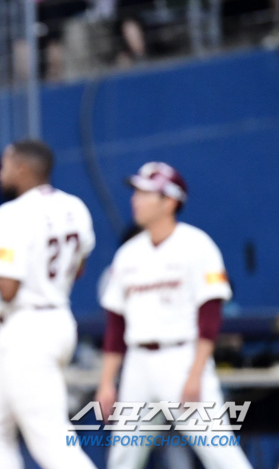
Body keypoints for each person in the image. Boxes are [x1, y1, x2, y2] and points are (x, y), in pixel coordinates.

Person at [0, 139, 97, 469]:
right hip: (56, 320)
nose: (0, 173)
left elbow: (5, 290)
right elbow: (77, 268)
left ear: (24, 168)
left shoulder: (11, 214)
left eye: (6, 165)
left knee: (52, 443)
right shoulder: (75, 206)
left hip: (27, 331)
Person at [95, 162, 253, 469]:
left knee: (221, 456)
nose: (135, 200)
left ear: (170, 201)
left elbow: (210, 316)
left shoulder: (197, 244)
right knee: (122, 460)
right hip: (137, 364)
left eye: (145, 193)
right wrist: (106, 382)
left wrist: (195, 374)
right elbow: (116, 327)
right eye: (136, 192)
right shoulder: (128, 254)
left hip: (182, 359)